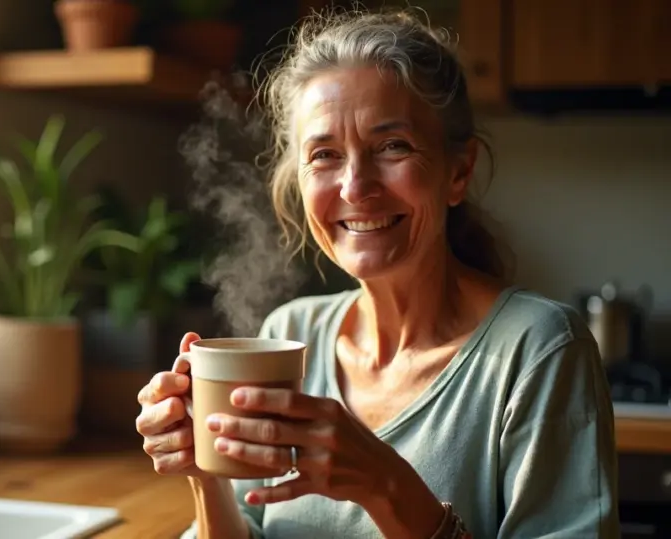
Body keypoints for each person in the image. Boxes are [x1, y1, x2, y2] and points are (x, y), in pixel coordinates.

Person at [134, 9, 619, 539]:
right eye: (324, 155)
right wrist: (205, 475)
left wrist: (387, 489)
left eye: (392, 146)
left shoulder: (538, 350)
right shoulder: (288, 335)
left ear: (458, 171)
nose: (354, 187)